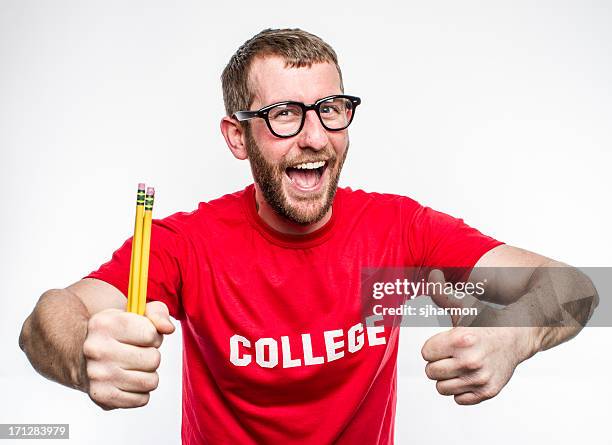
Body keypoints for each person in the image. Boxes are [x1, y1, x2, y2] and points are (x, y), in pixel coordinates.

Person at [19, 28, 598, 445]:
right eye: (285, 115)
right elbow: (51, 318)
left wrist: (513, 333)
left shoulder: (399, 232)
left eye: (330, 108)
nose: (315, 137)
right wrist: (79, 355)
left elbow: (575, 290)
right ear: (237, 137)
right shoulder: (186, 244)